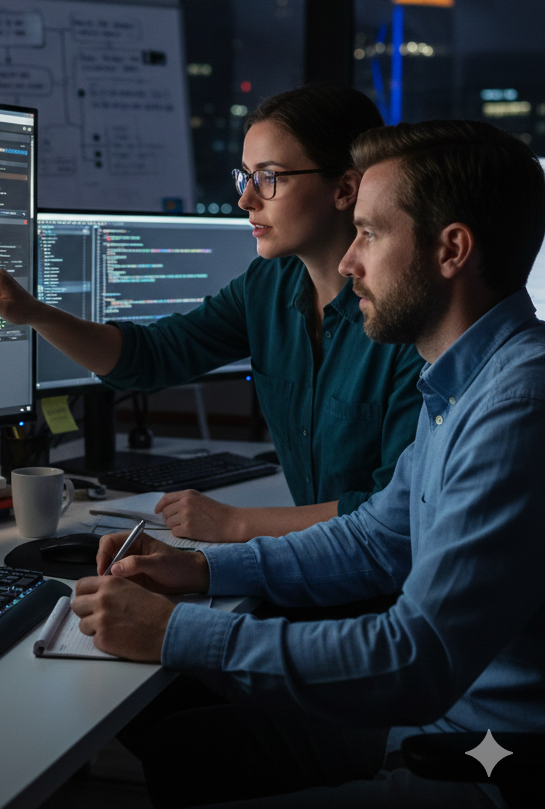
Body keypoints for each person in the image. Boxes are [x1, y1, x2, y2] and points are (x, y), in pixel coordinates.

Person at [70, 119, 545, 808]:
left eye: (370, 234)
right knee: (185, 748)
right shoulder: (460, 382)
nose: (349, 262)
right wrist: (200, 569)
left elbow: (418, 661)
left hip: (489, 760)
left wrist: (175, 631)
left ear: (451, 249)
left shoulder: (517, 408)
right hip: (437, 723)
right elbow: (377, 539)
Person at [0, 84, 424, 542]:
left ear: (344, 189)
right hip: (313, 560)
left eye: (269, 178)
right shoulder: (267, 286)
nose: (245, 199)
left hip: (382, 581)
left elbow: (394, 514)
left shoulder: (407, 320)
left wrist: (235, 524)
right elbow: (150, 357)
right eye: (245, 177)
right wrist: (33, 312)